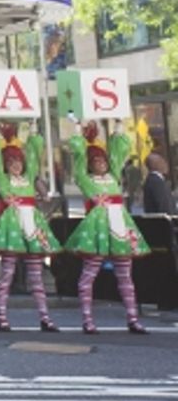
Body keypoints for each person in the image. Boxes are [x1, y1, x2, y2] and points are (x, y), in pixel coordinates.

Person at [66, 122, 150, 334]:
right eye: (95, 160)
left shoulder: (113, 177)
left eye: (102, 159)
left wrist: (119, 130)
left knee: (125, 275)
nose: (101, 163)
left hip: (119, 226)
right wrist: (78, 137)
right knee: (89, 274)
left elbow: (118, 156)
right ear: (89, 164)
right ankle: (87, 319)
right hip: (97, 230)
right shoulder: (85, 179)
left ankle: (132, 318)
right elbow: (78, 160)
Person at [0, 121, 60, 333]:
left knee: (35, 274)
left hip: (32, 225)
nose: (15, 164)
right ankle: (1, 315)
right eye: (11, 161)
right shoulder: (3, 180)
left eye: (18, 160)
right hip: (13, 227)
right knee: (7, 273)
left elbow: (35, 157)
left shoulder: (28, 178)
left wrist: (34, 134)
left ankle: (44, 317)